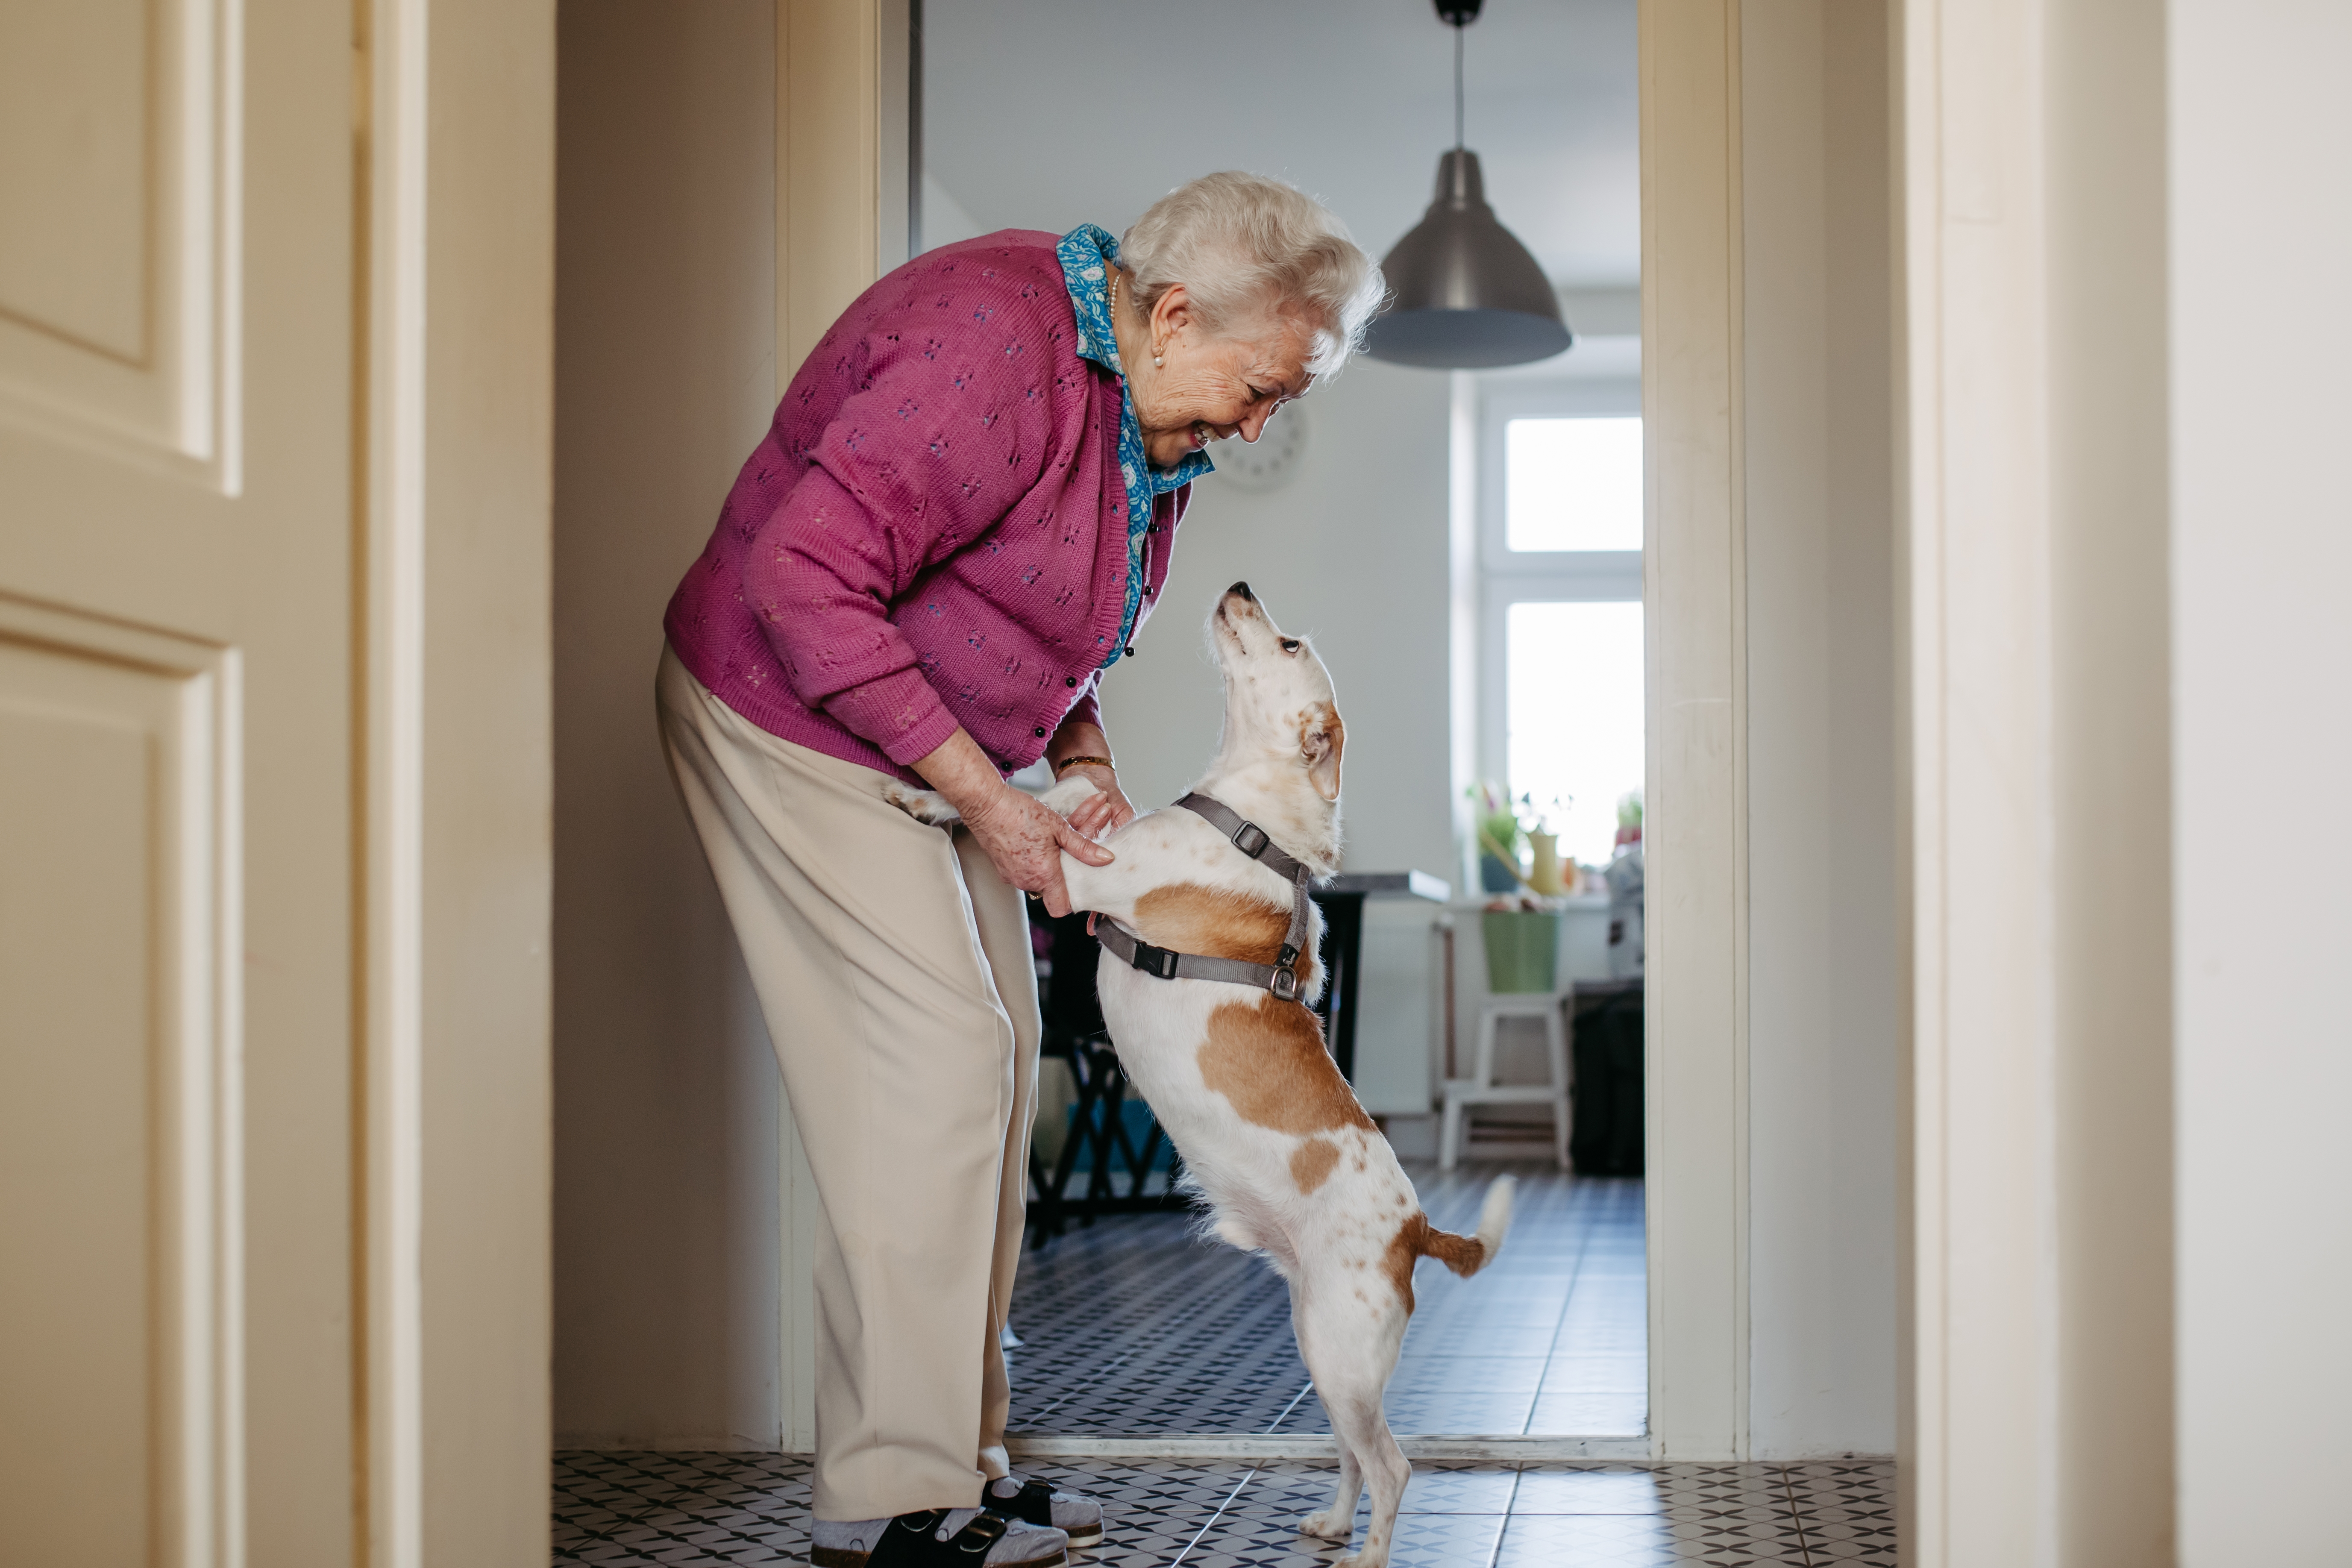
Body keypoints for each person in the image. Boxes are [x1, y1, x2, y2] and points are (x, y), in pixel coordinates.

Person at [657, 172, 1382, 1567]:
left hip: (930, 744)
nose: (1261, 419)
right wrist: (996, 805)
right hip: (789, 719)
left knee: (997, 1066)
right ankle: (884, 1502)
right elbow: (802, 578)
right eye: (1267, 384)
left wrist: (1083, 765)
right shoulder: (991, 346)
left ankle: (959, 1468)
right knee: (930, 1070)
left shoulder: (1144, 429)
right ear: (1174, 313)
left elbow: (1043, 628)